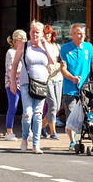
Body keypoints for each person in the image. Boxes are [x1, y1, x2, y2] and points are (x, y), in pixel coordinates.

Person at [9, 20, 59, 153]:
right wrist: (13, 82)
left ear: (42, 33)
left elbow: (53, 61)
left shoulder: (46, 46)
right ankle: (25, 138)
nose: (35, 34)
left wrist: (45, 46)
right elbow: (14, 65)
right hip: (26, 84)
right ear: (29, 32)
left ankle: (36, 144)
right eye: (33, 32)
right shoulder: (24, 46)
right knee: (27, 113)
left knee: (38, 114)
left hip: (42, 84)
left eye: (38, 32)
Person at [59, 23, 93, 151]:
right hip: (70, 89)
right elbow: (63, 69)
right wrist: (72, 78)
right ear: (72, 34)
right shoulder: (65, 48)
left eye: (83, 33)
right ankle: (73, 142)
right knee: (71, 117)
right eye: (78, 33)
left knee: (88, 116)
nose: (81, 36)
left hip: (85, 90)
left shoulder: (89, 47)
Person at [2, 28, 25, 141]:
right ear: (16, 40)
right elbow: (11, 69)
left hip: (24, 83)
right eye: (22, 40)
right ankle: (9, 131)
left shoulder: (24, 52)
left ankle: (27, 130)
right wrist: (24, 71)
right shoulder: (11, 52)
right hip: (12, 83)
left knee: (27, 108)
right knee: (13, 107)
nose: (24, 42)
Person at [41, 24, 63, 140]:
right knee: (53, 104)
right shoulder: (42, 47)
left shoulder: (57, 46)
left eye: (49, 33)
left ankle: (42, 126)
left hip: (58, 77)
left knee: (57, 106)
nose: (47, 35)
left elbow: (61, 60)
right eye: (45, 33)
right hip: (48, 79)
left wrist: (61, 65)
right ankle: (53, 132)